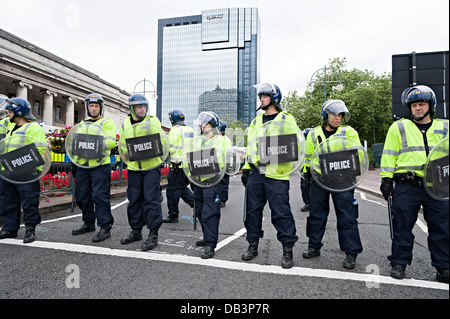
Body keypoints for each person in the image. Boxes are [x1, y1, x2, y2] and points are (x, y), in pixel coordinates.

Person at [380, 85, 449, 283]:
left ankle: (443, 267)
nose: (418, 108)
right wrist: (386, 179)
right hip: (407, 184)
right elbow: (389, 154)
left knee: (442, 226)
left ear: (430, 105)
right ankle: (399, 263)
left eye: (422, 104)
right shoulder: (399, 127)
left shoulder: (445, 127)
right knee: (402, 225)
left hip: (438, 184)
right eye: (414, 105)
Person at [241, 83, 298, 269]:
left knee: (281, 213)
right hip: (257, 172)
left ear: (274, 98)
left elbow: (293, 145)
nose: (262, 99)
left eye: (265, 96)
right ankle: (253, 244)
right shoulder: (255, 121)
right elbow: (251, 146)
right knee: (252, 211)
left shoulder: (286, 119)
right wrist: (247, 168)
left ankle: (287, 249)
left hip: (277, 174)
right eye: (261, 97)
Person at [302, 100, 363, 270]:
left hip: (343, 178)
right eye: (333, 115)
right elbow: (309, 157)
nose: (337, 119)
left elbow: (356, 154)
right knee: (316, 214)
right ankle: (314, 246)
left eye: (340, 115)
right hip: (320, 179)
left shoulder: (349, 132)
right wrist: (308, 173)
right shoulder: (313, 134)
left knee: (347, 215)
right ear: (325, 116)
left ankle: (351, 252)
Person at [119, 94, 164, 250]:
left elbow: (162, 142)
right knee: (134, 199)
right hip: (134, 168)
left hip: (151, 167)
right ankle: (136, 230)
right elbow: (123, 145)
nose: (142, 108)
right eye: (139, 106)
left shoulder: (153, 120)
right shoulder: (125, 123)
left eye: (144, 106)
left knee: (151, 199)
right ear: (132, 108)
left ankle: (153, 234)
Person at [0, 97, 46, 243]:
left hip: (26, 171)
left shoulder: (33, 127)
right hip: (8, 171)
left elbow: (39, 150)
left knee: (29, 201)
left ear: (18, 111)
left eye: (11, 111)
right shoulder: (10, 127)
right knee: (8, 200)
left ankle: (30, 229)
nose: (8, 114)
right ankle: (10, 228)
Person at [71, 93, 117, 243]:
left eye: (96, 106)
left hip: (99, 165)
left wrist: (92, 142)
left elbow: (110, 142)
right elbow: (75, 143)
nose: (93, 108)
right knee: (82, 195)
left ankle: (105, 227)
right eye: (91, 105)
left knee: (100, 195)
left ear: (101, 108)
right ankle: (89, 222)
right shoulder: (82, 124)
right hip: (83, 165)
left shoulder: (106, 123)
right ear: (87, 107)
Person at [190, 111, 225, 259]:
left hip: (213, 180)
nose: (204, 126)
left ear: (213, 125)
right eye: (202, 124)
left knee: (210, 212)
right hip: (198, 180)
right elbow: (191, 157)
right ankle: (206, 235)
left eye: (207, 124)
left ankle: (211, 244)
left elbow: (219, 159)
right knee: (199, 210)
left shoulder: (221, 140)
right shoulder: (198, 141)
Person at [162, 109, 195, 223]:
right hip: (188, 167)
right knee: (181, 189)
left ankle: (173, 215)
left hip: (177, 167)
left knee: (172, 191)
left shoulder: (175, 130)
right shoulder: (190, 130)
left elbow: (169, 148)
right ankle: (196, 205)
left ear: (172, 120)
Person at [218, 120, 232, 208]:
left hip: (223, 166)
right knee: (222, 184)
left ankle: (222, 200)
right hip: (221, 165)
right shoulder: (225, 139)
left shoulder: (224, 140)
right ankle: (220, 199)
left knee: (223, 184)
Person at [300, 128, 312, 212]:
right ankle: (308, 203)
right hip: (305, 168)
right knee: (305, 186)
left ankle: (309, 203)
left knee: (305, 186)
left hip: (310, 169)